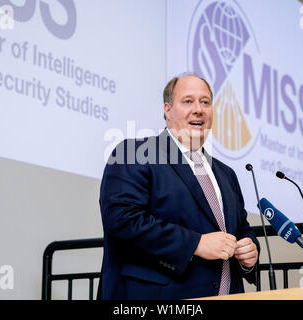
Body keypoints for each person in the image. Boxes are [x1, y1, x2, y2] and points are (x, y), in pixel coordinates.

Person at [99, 73, 259, 300]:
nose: (199, 109)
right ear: (167, 110)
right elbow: (122, 220)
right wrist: (196, 243)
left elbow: (242, 229)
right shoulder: (134, 154)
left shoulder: (226, 174)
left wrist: (249, 252)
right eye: (188, 101)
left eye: (205, 102)